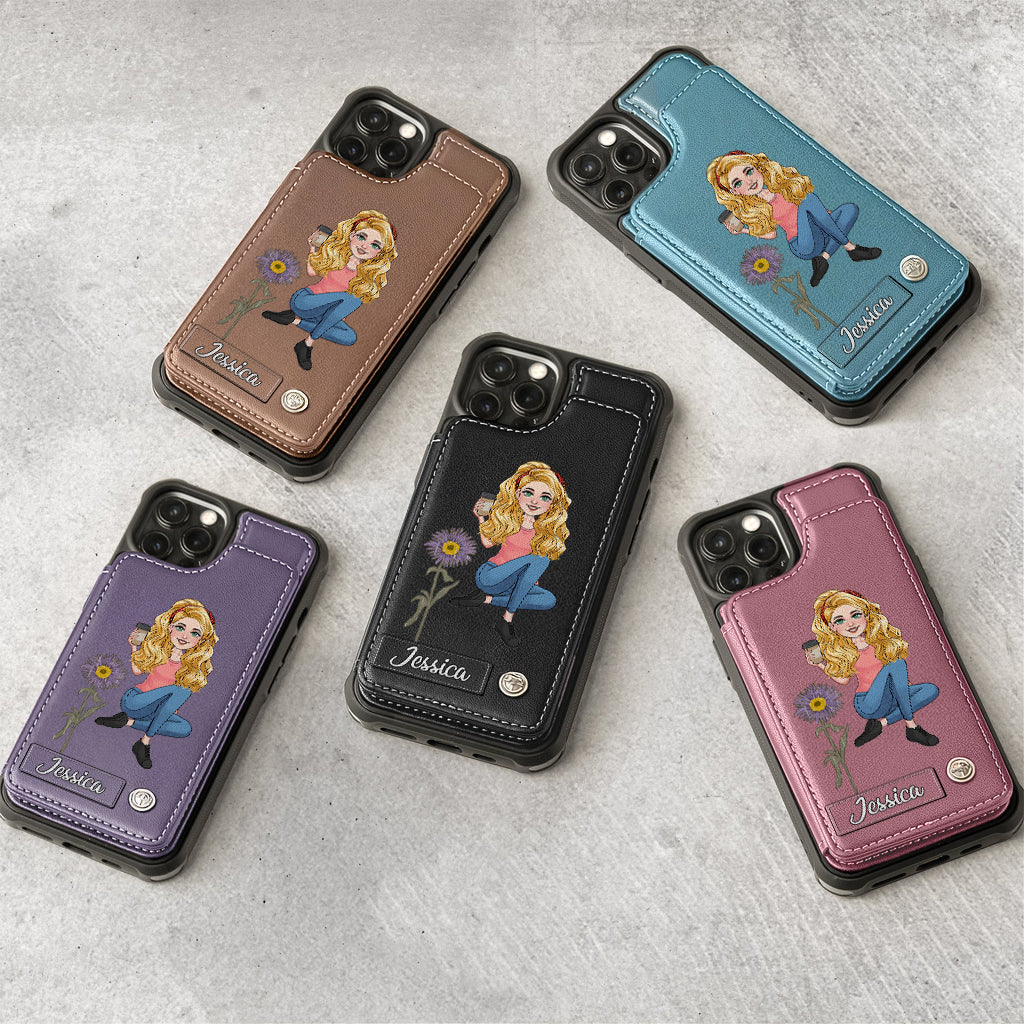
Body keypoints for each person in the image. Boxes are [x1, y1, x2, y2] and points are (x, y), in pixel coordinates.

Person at [707, 151, 880, 287]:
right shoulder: (754, 208)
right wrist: (743, 231)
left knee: (850, 209)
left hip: (820, 232)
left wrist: (827, 218)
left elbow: (815, 210)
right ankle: (851, 248)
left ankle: (824, 258)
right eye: (738, 183)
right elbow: (772, 234)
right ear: (735, 192)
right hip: (803, 244)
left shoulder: (781, 183)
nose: (749, 181)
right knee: (808, 200)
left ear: (758, 167)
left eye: (749, 171)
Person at [452, 461, 570, 648]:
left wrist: (528, 582)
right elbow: (487, 543)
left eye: (544, 497)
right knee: (540, 558)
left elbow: (530, 568)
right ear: (517, 494)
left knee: (549, 600)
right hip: (491, 576)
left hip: (512, 585)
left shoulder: (545, 532)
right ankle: (507, 619)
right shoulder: (510, 521)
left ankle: (486, 599)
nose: (534, 501)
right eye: (529, 493)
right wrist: (481, 517)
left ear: (552, 504)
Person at [262, 210, 396, 370]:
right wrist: (312, 249)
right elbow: (312, 272)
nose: (364, 246)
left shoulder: (366, 276)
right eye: (362, 237)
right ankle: (307, 344)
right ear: (352, 235)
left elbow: (343, 303)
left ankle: (292, 320)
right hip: (305, 301)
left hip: (323, 314)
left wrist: (338, 313)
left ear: (380, 253)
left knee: (349, 337)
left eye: (375, 245)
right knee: (354, 298)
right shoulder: (337, 256)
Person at [95, 599, 218, 769]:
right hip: (136, 701)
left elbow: (173, 699)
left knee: (184, 728)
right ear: (170, 628)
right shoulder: (160, 652)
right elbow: (137, 671)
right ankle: (144, 741)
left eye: (194, 633)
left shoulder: (191, 666)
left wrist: (169, 707)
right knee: (183, 690)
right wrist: (134, 647)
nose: (185, 636)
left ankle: (127, 723)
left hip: (154, 712)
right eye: (180, 628)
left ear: (201, 640)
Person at [810, 589, 939, 747]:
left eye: (855, 615)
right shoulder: (844, 651)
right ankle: (911, 726)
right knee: (897, 663)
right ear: (832, 627)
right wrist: (820, 665)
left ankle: (880, 724)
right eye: (840, 620)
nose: (850, 624)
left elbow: (892, 675)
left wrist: (902, 688)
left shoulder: (879, 641)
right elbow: (843, 680)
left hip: (891, 698)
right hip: (868, 703)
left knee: (931, 690)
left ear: (866, 614)